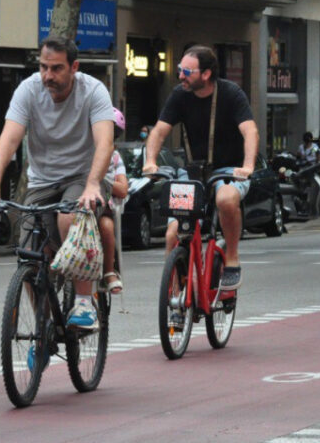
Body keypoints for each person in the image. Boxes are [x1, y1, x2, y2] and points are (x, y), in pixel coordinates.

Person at [0, 36, 114, 329]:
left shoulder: (94, 91)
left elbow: (105, 143)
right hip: (41, 181)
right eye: (43, 67)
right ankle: (43, 325)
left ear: (74, 67)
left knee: (69, 218)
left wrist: (92, 185)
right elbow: (10, 137)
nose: (48, 76)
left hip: (83, 176)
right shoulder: (28, 89)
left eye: (56, 69)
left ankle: (84, 302)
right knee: (28, 253)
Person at [143, 45, 259, 290]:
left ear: (205, 74)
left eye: (186, 71)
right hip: (193, 172)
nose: (180, 76)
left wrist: (248, 166)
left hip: (229, 170)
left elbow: (250, 131)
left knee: (226, 200)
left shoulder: (231, 93)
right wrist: (150, 161)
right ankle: (175, 298)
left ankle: (231, 259)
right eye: (179, 70)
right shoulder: (179, 95)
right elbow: (159, 131)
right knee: (172, 235)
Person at [100, 107, 130, 294]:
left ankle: (109, 271)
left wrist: (102, 179)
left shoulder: (116, 158)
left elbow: (123, 189)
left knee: (107, 227)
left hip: (102, 206)